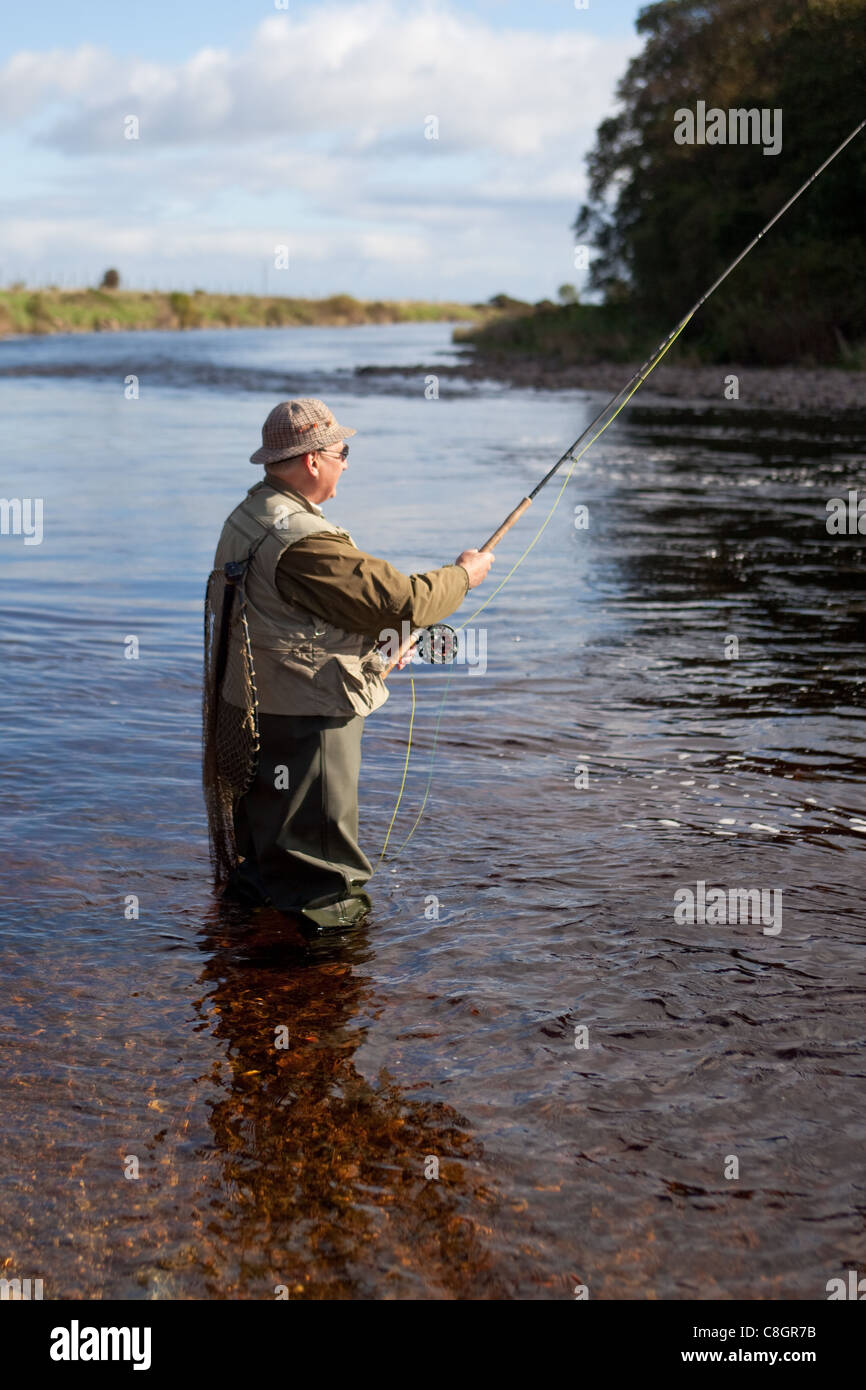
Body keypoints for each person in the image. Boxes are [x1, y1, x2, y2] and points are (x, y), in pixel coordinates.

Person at [210, 398, 494, 932]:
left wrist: (377, 645)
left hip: (253, 707)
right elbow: (403, 601)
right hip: (307, 717)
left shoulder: (248, 516)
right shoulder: (304, 540)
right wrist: (464, 574)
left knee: (268, 849)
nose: (346, 463)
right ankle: (333, 979)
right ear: (314, 460)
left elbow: (285, 611)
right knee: (324, 871)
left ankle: (246, 954)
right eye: (343, 452)